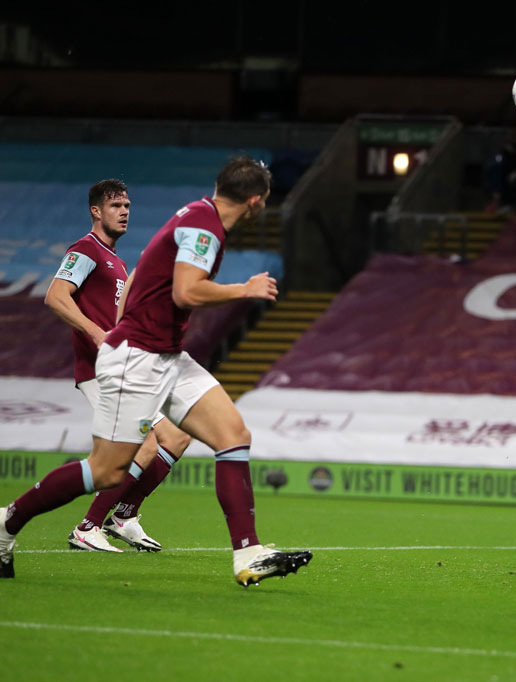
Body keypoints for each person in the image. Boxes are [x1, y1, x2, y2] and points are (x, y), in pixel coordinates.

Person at [0, 156, 313, 586]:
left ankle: (247, 554)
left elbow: (136, 282)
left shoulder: (195, 214)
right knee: (107, 470)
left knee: (232, 436)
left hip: (164, 355)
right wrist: (244, 289)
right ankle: (7, 523)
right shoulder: (205, 227)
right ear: (257, 201)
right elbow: (186, 292)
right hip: (137, 358)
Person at [44, 179, 191, 553]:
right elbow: (56, 296)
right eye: (115, 205)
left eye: (127, 205)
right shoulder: (85, 250)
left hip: (127, 368)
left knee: (177, 437)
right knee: (141, 449)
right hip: (99, 370)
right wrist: (95, 333)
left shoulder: (118, 263)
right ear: (96, 211)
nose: (125, 211)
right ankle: (87, 527)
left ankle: (124, 516)